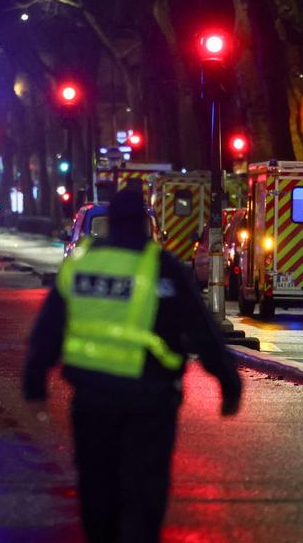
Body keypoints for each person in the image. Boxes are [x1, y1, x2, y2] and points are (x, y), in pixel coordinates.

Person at [23, 189, 242, 543]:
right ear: (145, 224)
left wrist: (35, 377)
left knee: (97, 486)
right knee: (145, 489)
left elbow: (50, 326)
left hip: (92, 398)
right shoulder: (162, 267)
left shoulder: (82, 263)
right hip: (150, 401)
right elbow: (201, 328)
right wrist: (228, 382)